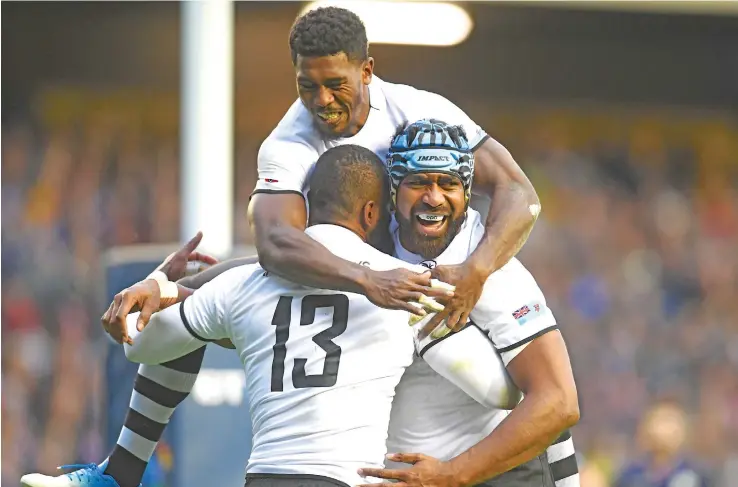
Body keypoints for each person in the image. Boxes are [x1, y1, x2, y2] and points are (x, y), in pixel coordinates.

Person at [71, 7, 541, 487]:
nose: (321, 100)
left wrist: (478, 271)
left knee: (535, 384)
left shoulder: (421, 111)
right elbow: (275, 248)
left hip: (438, 275)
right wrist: (367, 279)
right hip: (371, 289)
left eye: (335, 83)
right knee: (189, 303)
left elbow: (519, 194)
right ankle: (122, 470)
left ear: (367, 70)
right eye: (306, 86)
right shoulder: (288, 142)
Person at [614, 401, 711, 487]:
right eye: (658, 421)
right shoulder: (632, 475)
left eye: (669, 422)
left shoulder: (691, 475)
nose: (661, 430)